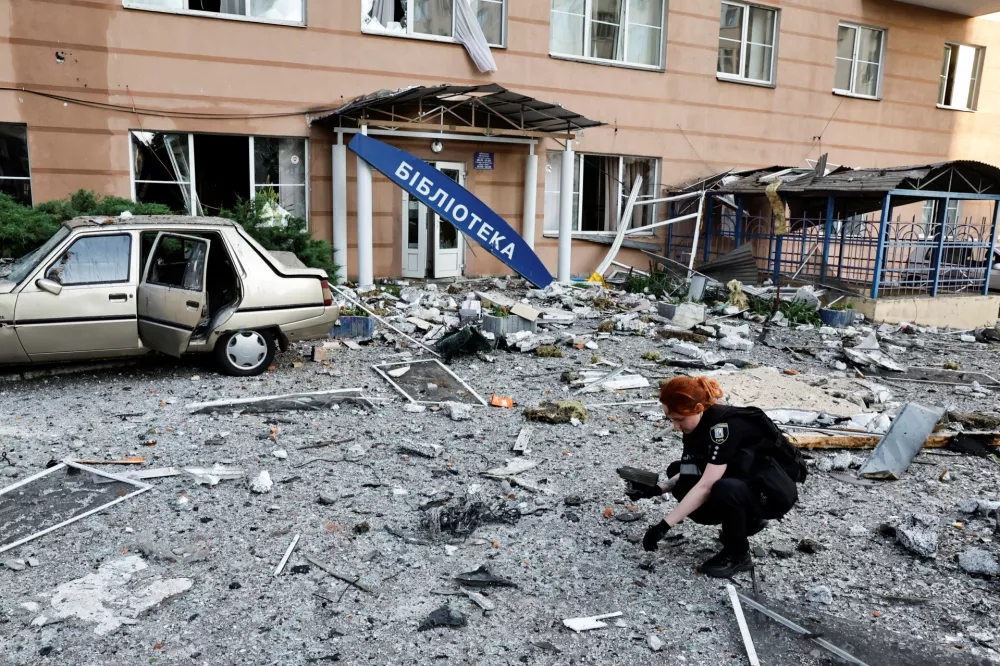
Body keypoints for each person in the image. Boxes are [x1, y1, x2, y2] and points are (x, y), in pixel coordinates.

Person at [636, 376, 807, 578]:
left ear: (698, 407)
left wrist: (663, 526)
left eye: (679, 419)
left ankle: (738, 554)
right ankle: (748, 522)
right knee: (677, 470)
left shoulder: (723, 429)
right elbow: (691, 470)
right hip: (749, 481)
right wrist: (659, 488)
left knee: (724, 490)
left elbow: (706, 484)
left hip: (773, 493)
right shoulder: (696, 424)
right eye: (671, 419)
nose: (675, 426)